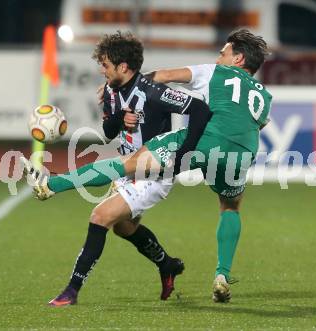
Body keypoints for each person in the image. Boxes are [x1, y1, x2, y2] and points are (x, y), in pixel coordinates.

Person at [22, 28, 271, 303]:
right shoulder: (264, 97)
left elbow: (166, 78)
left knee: (114, 188)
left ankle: (52, 186)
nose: (218, 56)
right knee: (227, 206)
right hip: (244, 151)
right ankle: (213, 273)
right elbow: (259, 122)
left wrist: (142, 86)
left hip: (192, 148)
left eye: (223, 52)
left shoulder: (213, 73)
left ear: (237, 59)